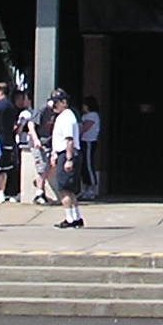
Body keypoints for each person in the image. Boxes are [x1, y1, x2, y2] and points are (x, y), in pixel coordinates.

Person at [49, 90, 83, 229]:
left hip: (67, 153)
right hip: (63, 153)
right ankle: (76, 217)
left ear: (64, 102)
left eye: (56, 103)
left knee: (64, 189)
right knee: (69, 190)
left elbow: (69, 139)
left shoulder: (67, 117)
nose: (54, 106)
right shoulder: (64, 116)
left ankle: (70, 218)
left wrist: (68, 159)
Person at [78, 99, 101, 198]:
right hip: (83, 142)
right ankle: (85, 188)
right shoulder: (84, 116)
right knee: (83, 166)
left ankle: (93, 188)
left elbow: (84, 128)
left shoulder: (93, 115)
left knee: (88, 165)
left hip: (89, 142)